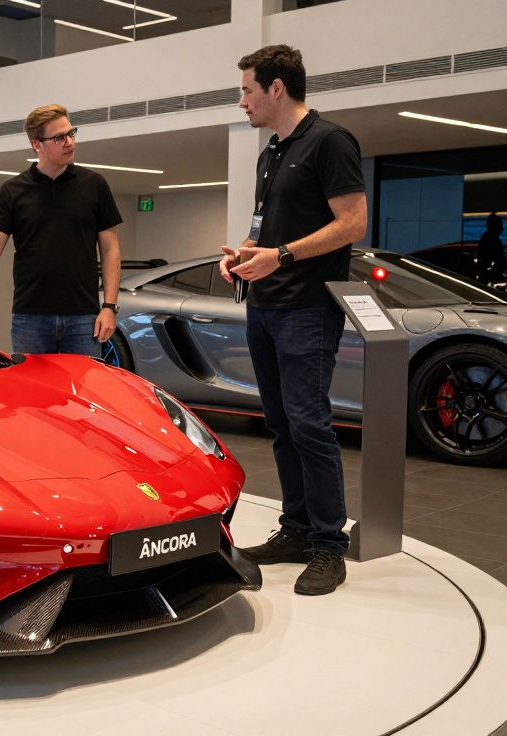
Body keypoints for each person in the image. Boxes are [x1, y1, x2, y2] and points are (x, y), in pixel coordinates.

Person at [220, 44, 367, 596]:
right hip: (265, 306)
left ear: (276, 88)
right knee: (281, 425)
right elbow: (263, 232)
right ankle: (298, 530)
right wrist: (243, 254)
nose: (243, 103)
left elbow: (353, 223)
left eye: (247, 91)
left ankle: (329, 545)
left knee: (310, 425)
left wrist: (280, 257)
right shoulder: (271, 153)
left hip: (306, 307)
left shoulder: (330, 141)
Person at [0, 104, 122, 356]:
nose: (69, 142)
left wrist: (109, 306)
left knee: (82, 393)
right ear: (36, 145)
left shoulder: (94, 185)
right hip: (31, 318)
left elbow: (110, 251)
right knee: (32, 393)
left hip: (83, 316)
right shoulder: (13, 191)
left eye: (71, 133)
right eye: (59, 137)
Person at [476, 213, 504, 284]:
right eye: (500, 225)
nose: (502, 227)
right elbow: (495, 259)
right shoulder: (490, 240)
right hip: (490, 277)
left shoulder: (488, 238)